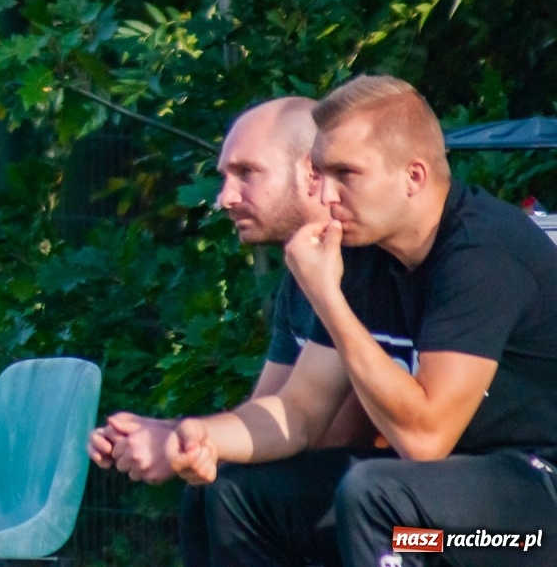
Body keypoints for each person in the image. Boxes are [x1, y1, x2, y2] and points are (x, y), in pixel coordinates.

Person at [164, 75, 557, 567]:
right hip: (435, 509)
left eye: (346, 174)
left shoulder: (482, 255)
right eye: (321, 173)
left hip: (526, 529)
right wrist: (199, 437)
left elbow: (424, 439)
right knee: (231, 492)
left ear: (413, 177)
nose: (326, 196)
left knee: (376, 502)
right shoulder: (366, 252)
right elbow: (301, 413)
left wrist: (327, 298)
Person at [86, 97, 371, 565]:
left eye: (246, 173)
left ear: (312, 173)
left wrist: (185, 443)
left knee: (233, 491)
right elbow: (270, 413)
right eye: (224, 177)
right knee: (212, 485)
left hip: (437, 527)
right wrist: (180, 436)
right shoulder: (300, 275)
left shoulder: (362, 266)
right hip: (365, 494)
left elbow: (332, 429)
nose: (226, 197)